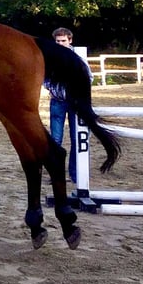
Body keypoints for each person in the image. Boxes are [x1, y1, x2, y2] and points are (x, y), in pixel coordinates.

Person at [45, 27, 92, 183]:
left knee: (75, 138)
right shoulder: (51, 56)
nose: (60, 43)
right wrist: (51, 89)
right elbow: (45, 77)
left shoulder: (78, 57)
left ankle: (74, 173)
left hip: (74, 103)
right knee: (55, 139)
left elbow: (89, 77)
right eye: (58, 41)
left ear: (70, 40)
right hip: (57, 101)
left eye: (63, 41)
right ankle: (56, 173)